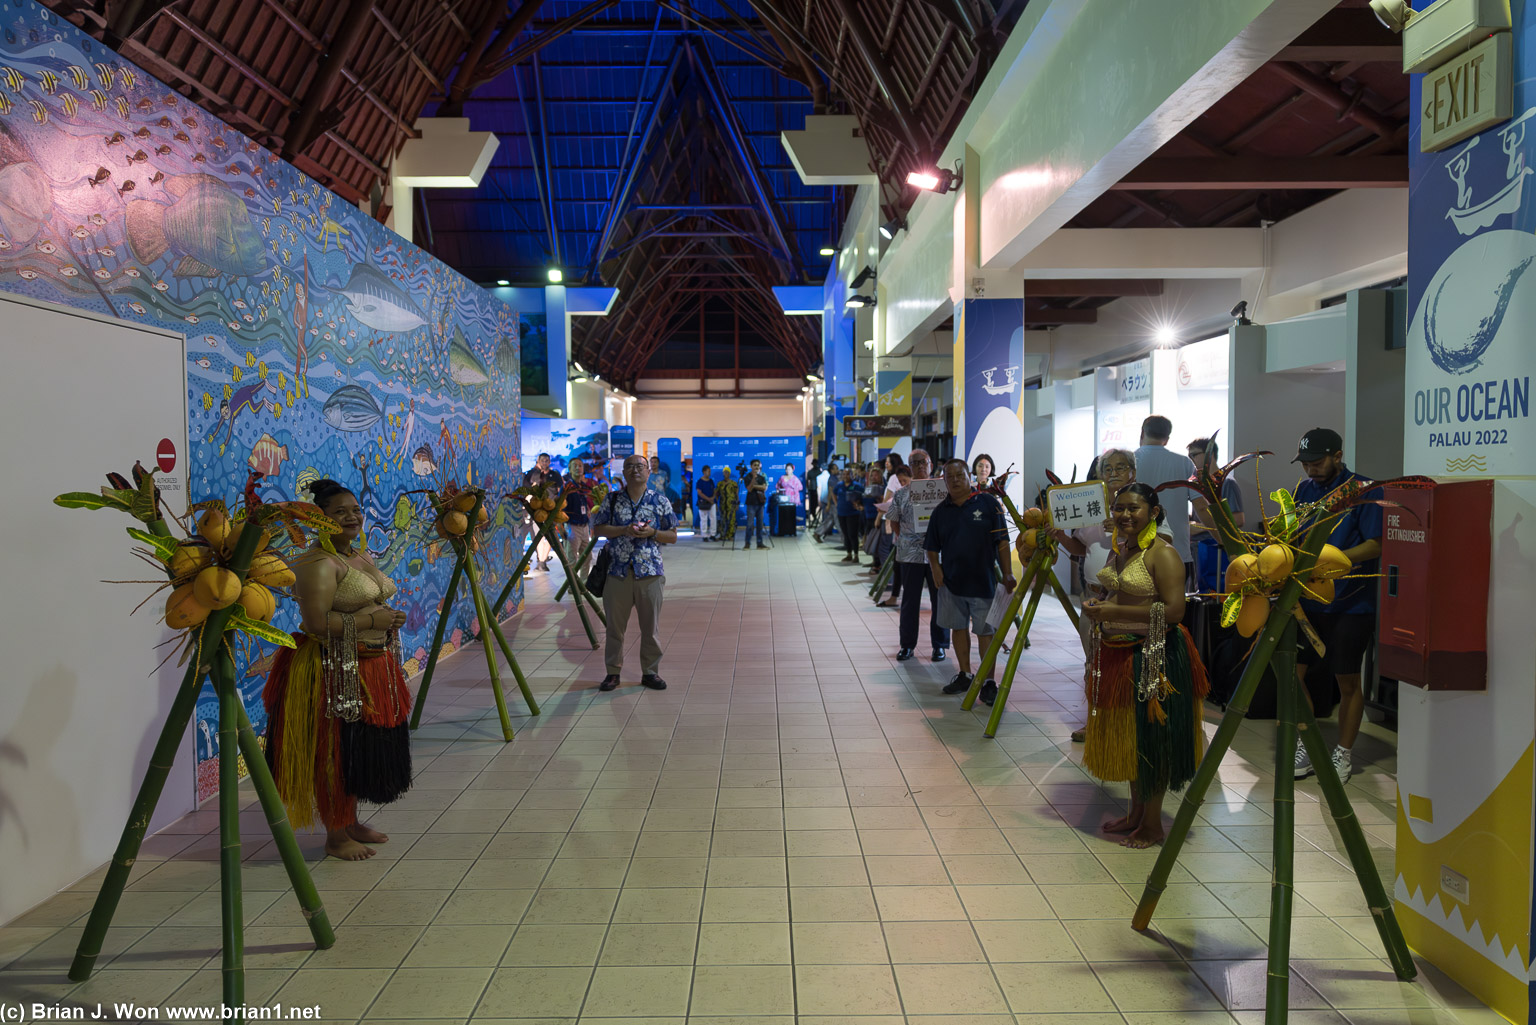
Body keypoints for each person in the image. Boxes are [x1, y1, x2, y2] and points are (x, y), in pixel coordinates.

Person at [262, 479, 412, 861]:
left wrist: (389, 618)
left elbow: (372, 602)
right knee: (336, 751)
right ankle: (335, 835)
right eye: (339, 512)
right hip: (335, 669)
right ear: (320, 520)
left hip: (371, 665)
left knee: (360, 747)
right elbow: (315, 623)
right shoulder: (317, 563)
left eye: (356, 510)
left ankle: (350, 820)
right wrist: (369, 621)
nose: (351, 517)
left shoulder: (358, 557)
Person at [1081, 482, 1211, 848]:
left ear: (1153, 512)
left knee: (1152, 742)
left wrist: (1113, 610)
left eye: (1133, 508)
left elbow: (1174, 611)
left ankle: (1153, 825)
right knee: (1133, 739)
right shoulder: (1122, 548)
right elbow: (1116, 591)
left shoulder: (1162, 553)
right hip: (1119, 653)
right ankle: (1137, 813)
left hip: (1154, 657)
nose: (1124, 515)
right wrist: (1100, 601)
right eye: (1119, 507)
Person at [1290, 428, 1382, 785]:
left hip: (1350, 603)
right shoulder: (1301, 491)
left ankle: (1343, 752)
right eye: (1306, 464)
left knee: (1347, 681)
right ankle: (1308, 743)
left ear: (1338, 455)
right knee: (1293, 676)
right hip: (1306, 600)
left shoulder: (1364, 491)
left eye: (1317, 463)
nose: (1310, 470)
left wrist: (1332, 561)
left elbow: (1375, 545)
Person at [1049, 449, 1136, 742]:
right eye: (1107, 469)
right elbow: (1079, 549)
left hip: (1126, 600)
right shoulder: (1088, 506)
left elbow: (1165, 540)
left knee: (1124, 663)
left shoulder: (1141, 504)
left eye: (1120, 467)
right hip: (1092, 598)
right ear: (1099, 475)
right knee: (1093, 664)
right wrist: (1059, 535)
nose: (1113, 473)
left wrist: (1128, 529)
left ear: (1132, 473)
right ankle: (1095, 721)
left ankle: (1126, 723)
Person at [928, 460, 1016, 705]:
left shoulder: (989, 503)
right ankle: (966, 674)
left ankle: (988, 681)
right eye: (950, 476)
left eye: (960, 475)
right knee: (958, 628)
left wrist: (1007, 573)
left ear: (970, 476)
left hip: (983, 581)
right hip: (951, 582)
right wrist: (936, 569)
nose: (955, 480)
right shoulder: (940, 511)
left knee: (985, 632)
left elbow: (1002, 542)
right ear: (944, 480)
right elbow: (932, 547)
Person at [592, 455, 678, 691]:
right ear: (624, 472)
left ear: (649, 472)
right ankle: (612, 673)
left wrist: (651, 532)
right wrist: (623, 530)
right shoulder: (612, 499)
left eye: (639, 466)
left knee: (650, 628)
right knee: (614, 628)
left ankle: (650, 672)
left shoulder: (660, 500)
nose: (634, 470)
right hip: (617, 573)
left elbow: (672, 535)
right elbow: (597, 529)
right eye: (629, 467)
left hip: (650, 572)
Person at [886, 448, 949, 663]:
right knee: (910, 602)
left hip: (939, 556)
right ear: (910, 467)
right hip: (910, 555)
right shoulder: (902, 493)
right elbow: (894, 521)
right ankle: (907, 646)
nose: (920, 466)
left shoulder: (943, 491)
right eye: (915, 463)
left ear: (931, 464)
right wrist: (908, 538)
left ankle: (939, 646)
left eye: (924, 462)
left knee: (939, 601)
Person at [1134, 416, 1205, 587]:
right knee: (1174, 609)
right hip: (1177, 553)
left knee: (1140, 609)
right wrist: (1223, 538)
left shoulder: (1129, 462)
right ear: (1166, 439)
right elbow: (1202, 508)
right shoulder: (1184, 463)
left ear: (1142, 433)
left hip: (1136, 552)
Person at [1186, 436, 1245, 591]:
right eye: (1189, 456)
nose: (1190, 460)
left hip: (1216, 548)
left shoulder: (1227, 483)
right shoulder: (1198, 483)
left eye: (1194, 455)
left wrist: (1204, 527)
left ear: (1209, 455)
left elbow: (1239, 519)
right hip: (1198, 547)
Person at [523, 453, 556, 573]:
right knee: (536, 535)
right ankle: (536, 561)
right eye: (542, 460)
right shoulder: (532, 474)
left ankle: (542, 561)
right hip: (533, 509)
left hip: (548, 509)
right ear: (538, 461)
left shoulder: (553, 475)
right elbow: (527, 489)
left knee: (543, 535)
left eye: (547, 460)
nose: (545, 462)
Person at [563, 458, 594, 575]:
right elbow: (560, 508)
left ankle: (583, 583)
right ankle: (573, 585)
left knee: (587, 557)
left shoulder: (584, 487)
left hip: (585, 526)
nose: (578, 468)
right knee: (571, 559)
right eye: (574, 465)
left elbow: (586, 502)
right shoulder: (567, 487)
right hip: (572, 526)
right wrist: (561, 528)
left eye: (580, 465)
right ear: (570, 470)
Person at [833, 469, 862, 563]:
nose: (845, 476)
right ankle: (849, 554)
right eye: (844, 474)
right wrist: (836, 503)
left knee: (852, 534)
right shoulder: (839, 485)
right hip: (841, 513)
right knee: (845, 534)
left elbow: (863, 496)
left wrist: (858, 503)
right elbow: (833, 493)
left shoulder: (857, 485)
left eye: (847, 474)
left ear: (852, 475)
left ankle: (856, 555)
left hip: (853, 514)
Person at [742, 458, 769, 549]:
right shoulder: (747, 477)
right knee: (750, 524)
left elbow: (764, 488)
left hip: (760, 504)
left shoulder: (761, 477)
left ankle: (759, 543)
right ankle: (747, 543)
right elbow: (749, 489)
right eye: (755, 465)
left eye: (758, 465)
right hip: (751, 503)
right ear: (751, 466)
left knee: (760, 524)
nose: (756, 467)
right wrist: (753, 480)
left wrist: (755, 486)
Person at [695, 464, 718, 540]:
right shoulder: (700, 481)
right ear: (704, 472)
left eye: (710, 471)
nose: (710, 473)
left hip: (712, 502)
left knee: (713, 518)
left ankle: (713, 534)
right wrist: (708, 499)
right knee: (704, 519)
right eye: (708, 471)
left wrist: (713, 498)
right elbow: (699, 492)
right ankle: (704, 535)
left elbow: (714, 490)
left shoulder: (711, 481)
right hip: (703, 503)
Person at [717, 467, 739, 545]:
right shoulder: (720, 484)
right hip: (723, 505)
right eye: (724, 472)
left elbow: (736, 494)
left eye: (727, 472)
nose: (725, 474)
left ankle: (730, 535)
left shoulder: (734, 483)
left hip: (731, 505)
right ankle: (723, 535)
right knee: (723, 520)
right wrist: (716, 504)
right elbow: (717, 495)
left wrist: (737, 504)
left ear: (729, 473)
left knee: (731, 520)